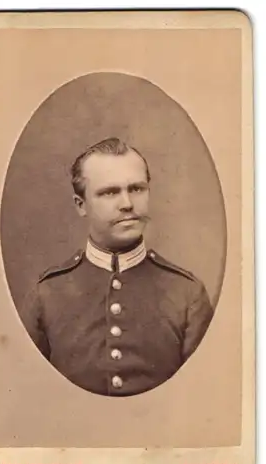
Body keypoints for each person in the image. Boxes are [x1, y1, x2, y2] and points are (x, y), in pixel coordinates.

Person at [21, 137, 213, 397]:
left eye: (136, 188)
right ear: (81, 205)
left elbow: (202, 400)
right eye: (109, 192)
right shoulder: (46, 295)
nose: (127, 203)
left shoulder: (187, 295)